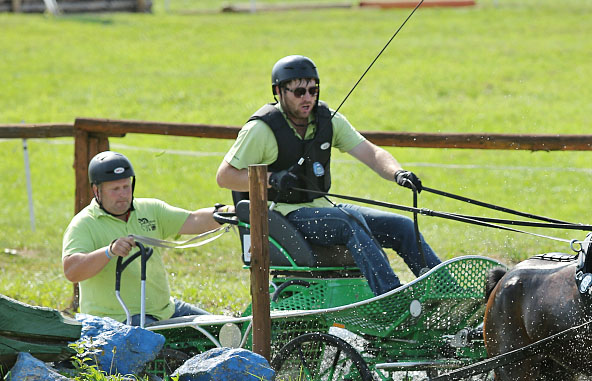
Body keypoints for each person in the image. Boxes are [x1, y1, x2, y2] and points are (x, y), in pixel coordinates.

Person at [215, 54, 442, 296]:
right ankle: (390, 298)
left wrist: (397, 173)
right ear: (278, 91)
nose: (308, 98)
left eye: (313, 90)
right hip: (283, 216)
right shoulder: (261, 130)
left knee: (402, 226)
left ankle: (446, 294)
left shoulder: (327, 120)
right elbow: (225, 176)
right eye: (299, 91)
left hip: (322, 208)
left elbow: (371, 153)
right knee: (349, 220)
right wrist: (272, 179)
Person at [63, 151, 231, 326]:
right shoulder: (83, 224)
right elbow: (71, 271)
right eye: (115, 189)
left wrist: (228, 212)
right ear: (97, 191)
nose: (122, 194)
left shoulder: (150, 210)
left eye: (126, 187)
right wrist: (109, 251)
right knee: (172, 345)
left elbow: (193, 220)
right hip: (116, 319)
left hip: (165, 309)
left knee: (225, 328)